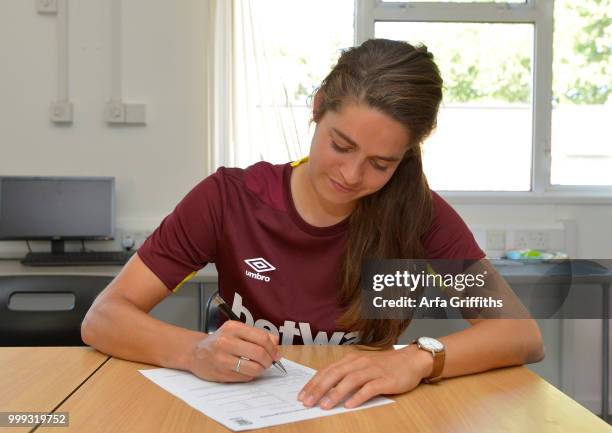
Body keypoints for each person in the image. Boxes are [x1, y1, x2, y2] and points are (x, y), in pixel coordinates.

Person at [81, 38, 544, 411]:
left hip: (358, 413)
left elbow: (520, 334)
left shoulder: (419, 212)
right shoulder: (228, 198)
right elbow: (103, 318)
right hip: (236, 408)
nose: (351, 175)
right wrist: (194, 351)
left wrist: (419, 359)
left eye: (380, 164)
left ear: (405, 157)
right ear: (318, 107)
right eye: (341, 146)